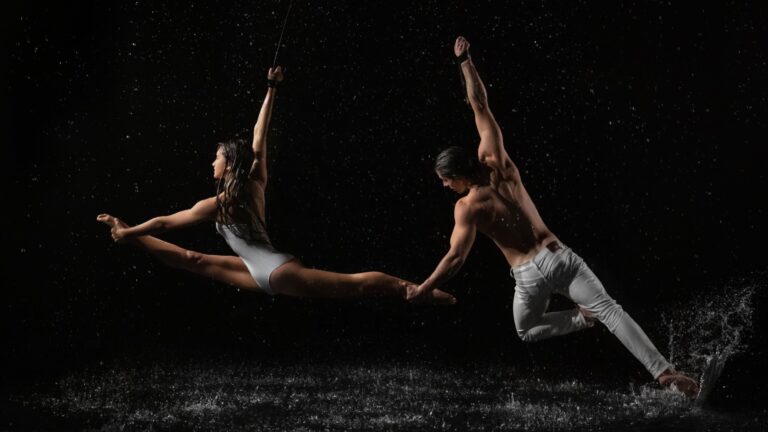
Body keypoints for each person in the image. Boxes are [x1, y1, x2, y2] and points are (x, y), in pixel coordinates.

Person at [408, 36, 699, 397]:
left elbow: (455, 258)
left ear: (456, 176)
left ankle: (582, 318)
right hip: (559, 256)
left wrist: (425, 288)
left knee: (526, 330)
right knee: (611, 311)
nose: (444, 186)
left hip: (528, 276)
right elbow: (479, 104)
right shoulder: (497, 160)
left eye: (444, 180)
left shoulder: (466, 207)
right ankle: (665, 373)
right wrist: (464, 61)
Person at [98, 66, 455, 305]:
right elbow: (259, 134)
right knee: (192, 260)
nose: (211, 163)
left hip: (278, 271)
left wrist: (129, 233)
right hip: (260, 268)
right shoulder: (255, 181)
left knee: (354, 284)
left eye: (216, 158)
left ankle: (410, 288)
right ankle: (126, 233)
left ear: (229, 163)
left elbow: (164, 223)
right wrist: (271, 88)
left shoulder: (221, 203)